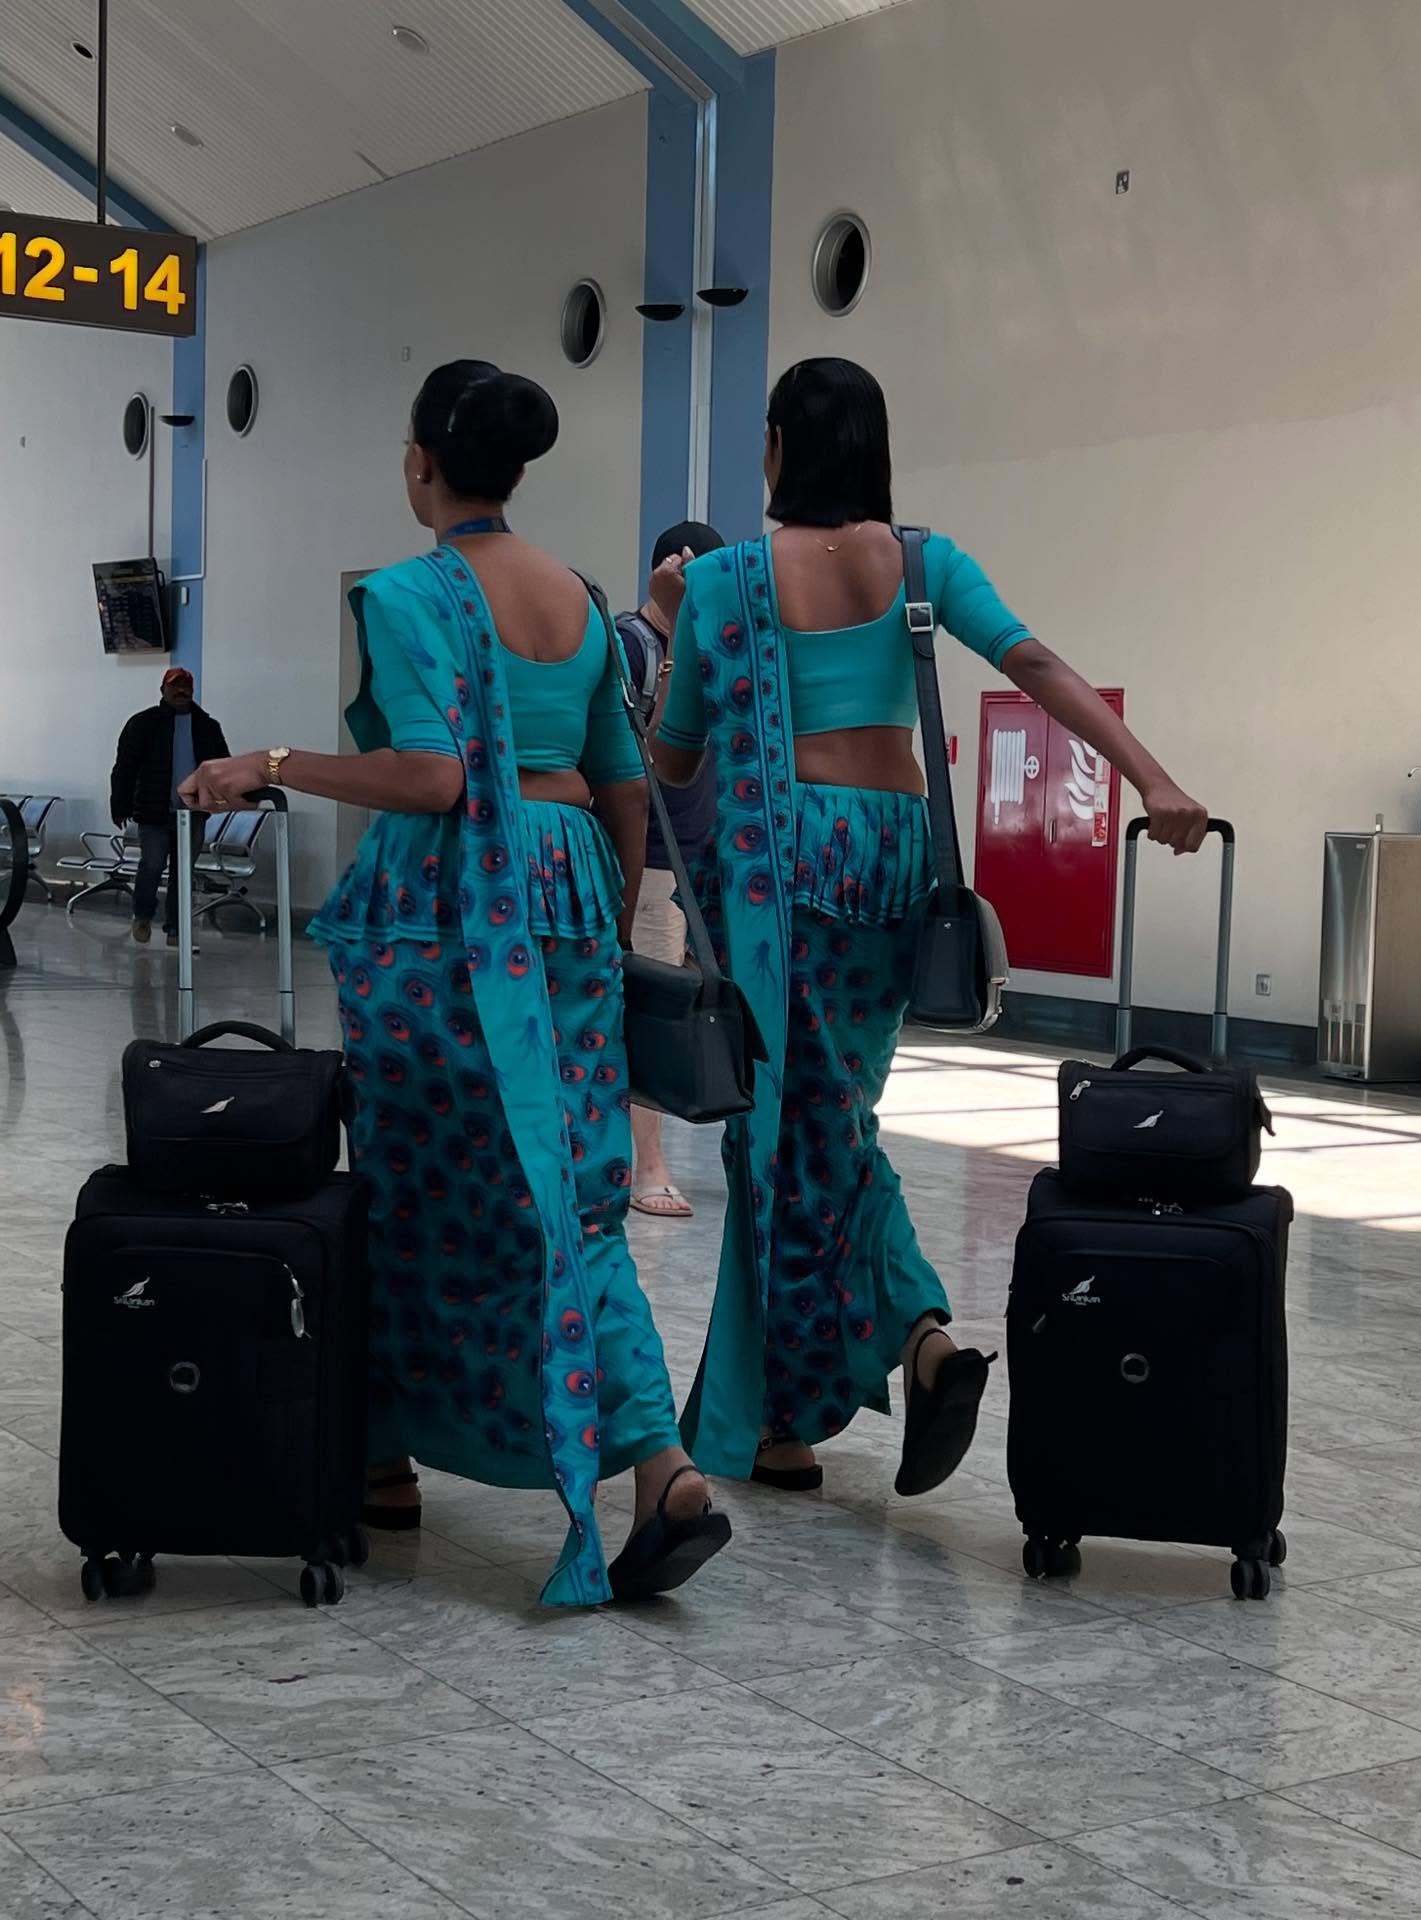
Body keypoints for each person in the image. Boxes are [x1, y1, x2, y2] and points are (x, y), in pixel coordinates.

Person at [179, 359, 731, 1607]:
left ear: (420, 463)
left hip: (449, 913)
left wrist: (263, 763)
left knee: (412, 1181)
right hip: (574, 892)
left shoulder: (406, 592)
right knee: (573, 1189)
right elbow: (624, 778)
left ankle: (398, 1459)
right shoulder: (584, 600)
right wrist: (607, 914)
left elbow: (431, 778)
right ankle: (641, 1465)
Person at [651, 356, 1208, 1498]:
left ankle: (915, 1337)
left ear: (778, 447)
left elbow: (674, 758)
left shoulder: (724, 584)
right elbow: (1037, 663)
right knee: (828, 1121)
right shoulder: (921, 561)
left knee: (792, 1136)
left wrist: (671, 628)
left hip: (784, 858)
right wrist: (1155, 780)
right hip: (895, 856)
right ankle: (785, 1421)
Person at [616, 519, 725, 1219]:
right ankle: (646, 1166)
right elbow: (632, 754)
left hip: (706, 855)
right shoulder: (631, 644)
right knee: (650, 1014)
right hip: (654, 860)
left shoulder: (712, 648)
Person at [110, 666, 228, 946]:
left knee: (183, 871)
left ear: (192, 690)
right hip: (154, 811)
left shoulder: (207, 727)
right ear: (163, 690)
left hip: (194, 812)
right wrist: (120, 803)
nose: (180, 691)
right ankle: (142, 916)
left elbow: (223, 765)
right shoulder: (143, 724)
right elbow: (125, 767)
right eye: (174, 686)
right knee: (151, 865)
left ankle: (176, 927)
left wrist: (223, 797)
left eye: (185, 686)